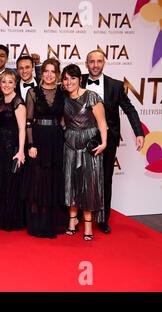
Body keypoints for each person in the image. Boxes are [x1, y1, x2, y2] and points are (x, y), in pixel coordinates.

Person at [81, 50, 145, 234]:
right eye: (92, 61)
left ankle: (103, 219)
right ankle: (79, 217)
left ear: (104, 63)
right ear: (86, 64)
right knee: (81, 179)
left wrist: (138, 132)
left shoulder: (116, 86)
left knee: (105, 180)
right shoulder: (78, 81)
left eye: (99, 61)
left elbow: (130, 109)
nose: (95, 65)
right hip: (82, 138)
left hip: (107, 139)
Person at [62, 64, 108, 241]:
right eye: (65, 78)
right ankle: (72, 220)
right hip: (69, 144)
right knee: (70, 183)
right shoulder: (64, 98)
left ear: (80, 79)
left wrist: (104, 143)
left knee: (88, 184)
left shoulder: (91, 96)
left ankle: (88, 223)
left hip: (89, 145)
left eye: (73, 78)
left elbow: (102, 122)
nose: (69, 82)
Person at [24, 58, 68, 238]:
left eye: (53, 72)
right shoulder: (32, 92)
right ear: (41, 74)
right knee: (38, 180)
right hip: (39, 137)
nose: (49, 75)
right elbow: (28, 121)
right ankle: (37, 222)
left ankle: (52, 220)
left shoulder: (63, 93)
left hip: (57, 138)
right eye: (46, 71)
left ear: (57, 75)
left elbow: (65, 119)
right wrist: (31, 144)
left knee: (54, 179)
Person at [0, 70, 26, 231]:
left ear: (15, 84)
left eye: (10, 82)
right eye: (3, 82)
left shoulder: (18, 102)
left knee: (10, 182)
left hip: (11, 146)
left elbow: (22, 129)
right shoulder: (0, 100)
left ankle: (9, 218)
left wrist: (21, 151)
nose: (6, 85)